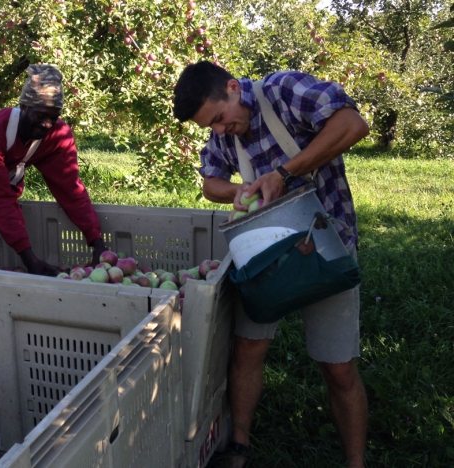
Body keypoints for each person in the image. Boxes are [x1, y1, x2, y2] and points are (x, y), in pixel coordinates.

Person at [172, 61, 369, 468]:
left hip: (326, 246)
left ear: (232, 88)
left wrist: (283, 173)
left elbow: (353, 124)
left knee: (338, 367)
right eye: (210, 127)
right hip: (263, 253)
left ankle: (355, 461)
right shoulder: (224, 130)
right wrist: (239, 190)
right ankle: (240, 446)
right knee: (248, 346)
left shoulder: (283, 91)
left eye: (221, 118)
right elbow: (210, 183)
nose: (220, 131)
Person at [0, 64, 107, 276]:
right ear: (24, 106)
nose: (47, 124)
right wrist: (29, 258)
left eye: (54, 116)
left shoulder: (58, 136)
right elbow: (0, 197)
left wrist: (98, 244)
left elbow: (71, 190)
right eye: (40, 115)